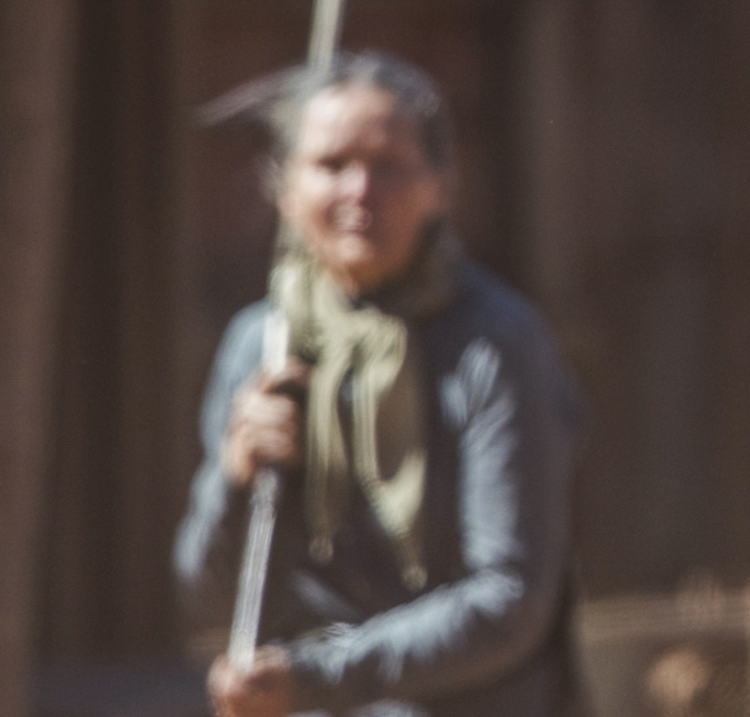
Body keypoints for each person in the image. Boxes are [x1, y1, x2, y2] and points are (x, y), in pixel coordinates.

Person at [179, 53, 587, 717]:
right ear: (284, 187)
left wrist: (321, 676)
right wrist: (234, 478)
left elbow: (511, 596)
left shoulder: (495, 343)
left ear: (441, 186)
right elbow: (213, 600)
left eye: (389, 165)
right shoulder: (263, 344)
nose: (360, 189)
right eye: (332, 164)